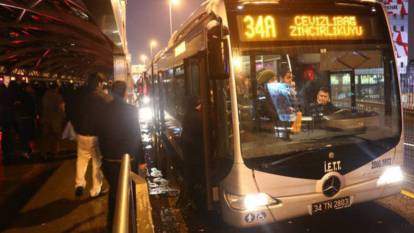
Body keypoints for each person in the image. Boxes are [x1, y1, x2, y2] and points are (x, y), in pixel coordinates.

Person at [97, 81, 144, 231]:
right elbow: (137, 136)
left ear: (111, 92)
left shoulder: (103, 110)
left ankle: (114, 223)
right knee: (127, 191)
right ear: (125, 93)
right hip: (127, 159)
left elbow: (100, 135)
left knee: (114, 192)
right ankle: (127, 223)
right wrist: (141, 160)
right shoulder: (131, 110)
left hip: (110, 159)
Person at [73, 73, 112, 198]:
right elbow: (110, 107)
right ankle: (95, 190)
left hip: (81, 134)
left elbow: (71, 110)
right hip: (95, 135)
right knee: (97, 163)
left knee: (82, 159)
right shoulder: (100, 96)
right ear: (99, 83)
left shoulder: (79, 95)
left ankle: (79, 184)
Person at [40, 82, 65, 160]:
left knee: (45, 137)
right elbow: (61, 109)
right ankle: (54, 153)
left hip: (46, 119)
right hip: (55, 120)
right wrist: (63, 117)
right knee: (55, 138)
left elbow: (41, 108)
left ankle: (43, 153)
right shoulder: (59, 97)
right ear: (56, 88)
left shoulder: (44, 96)